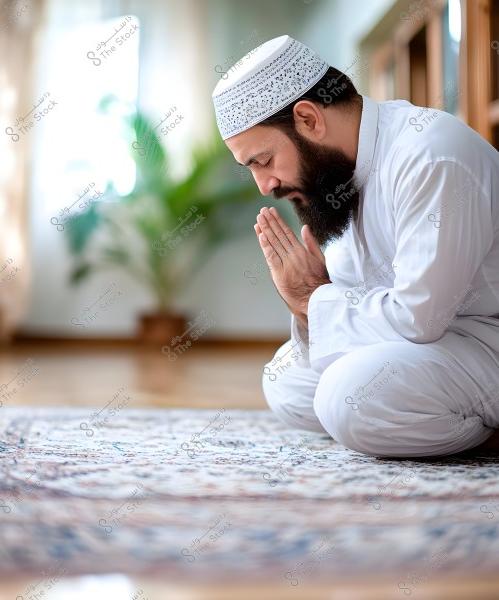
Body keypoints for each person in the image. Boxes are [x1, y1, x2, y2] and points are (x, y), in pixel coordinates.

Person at [212, 34, 499, 457]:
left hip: (484, 338)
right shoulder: (336, 177)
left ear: (308, 118)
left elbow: (418, 319)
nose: (264, 185)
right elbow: (356, 300)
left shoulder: (429, 155)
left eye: (264, 161)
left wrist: (312, 299)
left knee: (347, 398)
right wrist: (314, 303)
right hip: (433, 342)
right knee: (285, 381)